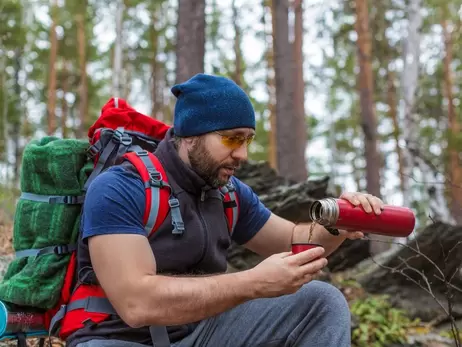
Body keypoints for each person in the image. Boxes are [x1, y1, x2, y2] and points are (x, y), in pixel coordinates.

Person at [68, 73, 384, 347]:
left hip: (200, 334)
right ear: (191, 135)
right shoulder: (120, 187)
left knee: (321, 302)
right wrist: (252, 283)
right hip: (118, 338)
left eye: (248, 140)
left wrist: (336, 222)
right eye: (232, 139)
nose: (243, 154)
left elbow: (293, 238)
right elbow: (136, 303)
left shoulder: (228, 194)